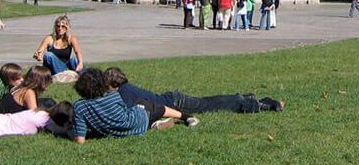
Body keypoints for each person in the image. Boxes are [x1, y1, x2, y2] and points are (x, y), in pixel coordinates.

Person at [105, 67, 283, 118]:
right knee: (211, 103)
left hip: (176, 103)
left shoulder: (124, 92)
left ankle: (260, 104)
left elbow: (127, 114)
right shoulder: (127, 88)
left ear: (113, 83)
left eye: (107, 86)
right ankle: (248, 98)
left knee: (211, 105)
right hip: (173, 99)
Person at [69, 68, 177, 144]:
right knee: (144, 106)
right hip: (136, 121)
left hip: (116, 131)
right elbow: (125, 110)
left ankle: (155, 123)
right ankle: (180, 116)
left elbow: (80, 140)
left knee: (143, 110)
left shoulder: (80, 107)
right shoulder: (113, 96)